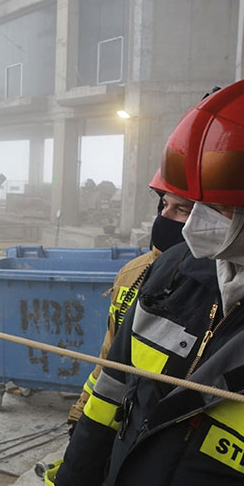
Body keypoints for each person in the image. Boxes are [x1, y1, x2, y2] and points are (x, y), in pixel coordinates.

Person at [49, 72, 244, 486]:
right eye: (182, 204)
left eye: (213, 208)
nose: (188, 224)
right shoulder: (170, 274)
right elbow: (110, 392)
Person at [66, 179, 194, 426]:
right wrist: (81, 413)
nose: (164, 217)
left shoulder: (222, 291)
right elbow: (109, 356)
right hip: (123, 421)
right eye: (164, 204)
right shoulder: (131, 274)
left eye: (182, 210)